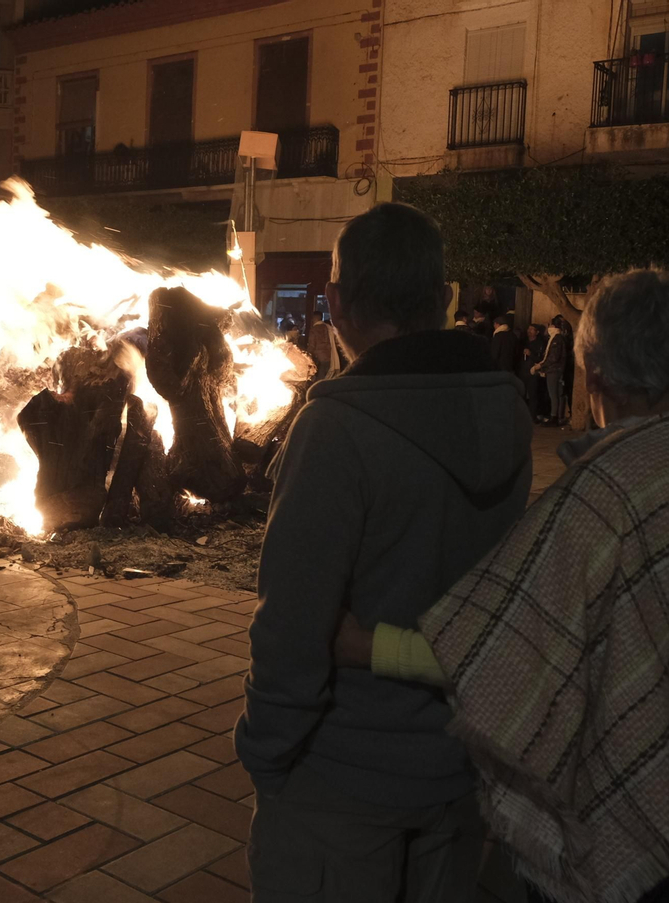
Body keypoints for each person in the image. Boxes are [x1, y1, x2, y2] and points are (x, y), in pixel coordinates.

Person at [335, 269, 669, 903]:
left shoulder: (606, 491)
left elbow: (507, 653)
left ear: (594, 372)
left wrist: (358, 645)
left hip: (632, 792)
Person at [236, 202, 534, 903]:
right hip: (459, 765)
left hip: (342, 778)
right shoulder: (510, 412)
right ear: (446, 298)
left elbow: (292, 624)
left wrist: (267, 754)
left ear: (336, 303)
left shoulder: (335, 428)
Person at [536, 320, 569, 427]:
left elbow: (553, 357)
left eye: (550, 325)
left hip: (554, 370)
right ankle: (558, 416)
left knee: (553, 394)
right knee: (558, 394)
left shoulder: (556, 339)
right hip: (556, 369)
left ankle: (554, 416)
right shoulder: (558, 338)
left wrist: (541, 365)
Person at [519, 323, 546, 420]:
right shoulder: (523, 342)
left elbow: (541, 359)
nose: (529, 331)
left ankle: (532, 416)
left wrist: (531, 354)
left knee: (533, 394)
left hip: (533, 372)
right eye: (528, 329)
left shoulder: (540, 344)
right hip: (523, 371)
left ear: (537, 332)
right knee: (521, 393)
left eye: (532, 329)